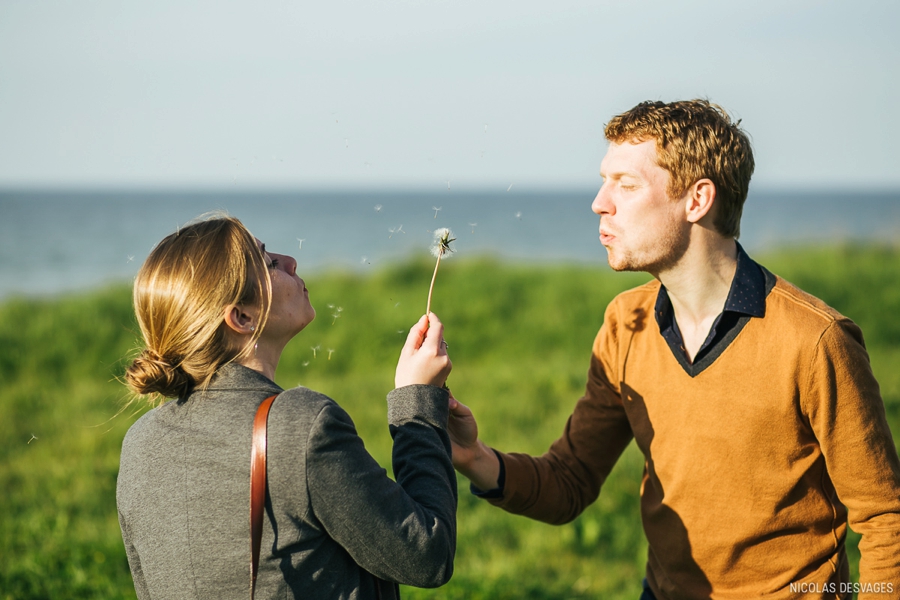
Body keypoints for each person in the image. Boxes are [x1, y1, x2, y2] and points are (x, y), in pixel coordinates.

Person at [447, 100, 900, 599]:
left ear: (697, 200)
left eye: (627, 184)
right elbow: (570, 480)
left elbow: (885, 521)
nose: (600, 202)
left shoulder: (815, 341)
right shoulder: (626, 323)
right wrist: (473, 456)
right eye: (604, 180)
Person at [116, 214, 456, 599]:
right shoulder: (301, 426)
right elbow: (427, 555)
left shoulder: (139, 444)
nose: (291, 261)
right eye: (270, 263)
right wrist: (418, 404)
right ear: (241, 317)